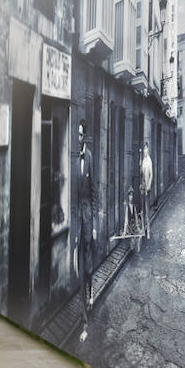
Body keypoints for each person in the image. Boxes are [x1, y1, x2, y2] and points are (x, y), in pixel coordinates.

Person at [76, 123, 96, 306]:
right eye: (76, 135)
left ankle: (91, 291)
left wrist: (94, 222)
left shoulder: (89, 157)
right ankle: (80, 291)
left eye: (80, 135)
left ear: (85, 137)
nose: (78, 138)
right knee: (79, 255)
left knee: (88, 255)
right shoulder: (74, 158)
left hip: (88, 216)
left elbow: (94, 191)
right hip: (77, 218)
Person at [140, 140, 154, 235]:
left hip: (147, 188)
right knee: (142, 209)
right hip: (142, 186)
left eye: (146, 148)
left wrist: (149, 186)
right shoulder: (142, 161)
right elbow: (141, 173)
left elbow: (151, 174)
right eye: (144, 148)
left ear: (148, 150)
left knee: (146, 209)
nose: (145, 150)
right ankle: (143, 229)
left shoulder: (149, 160)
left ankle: (148, 230)